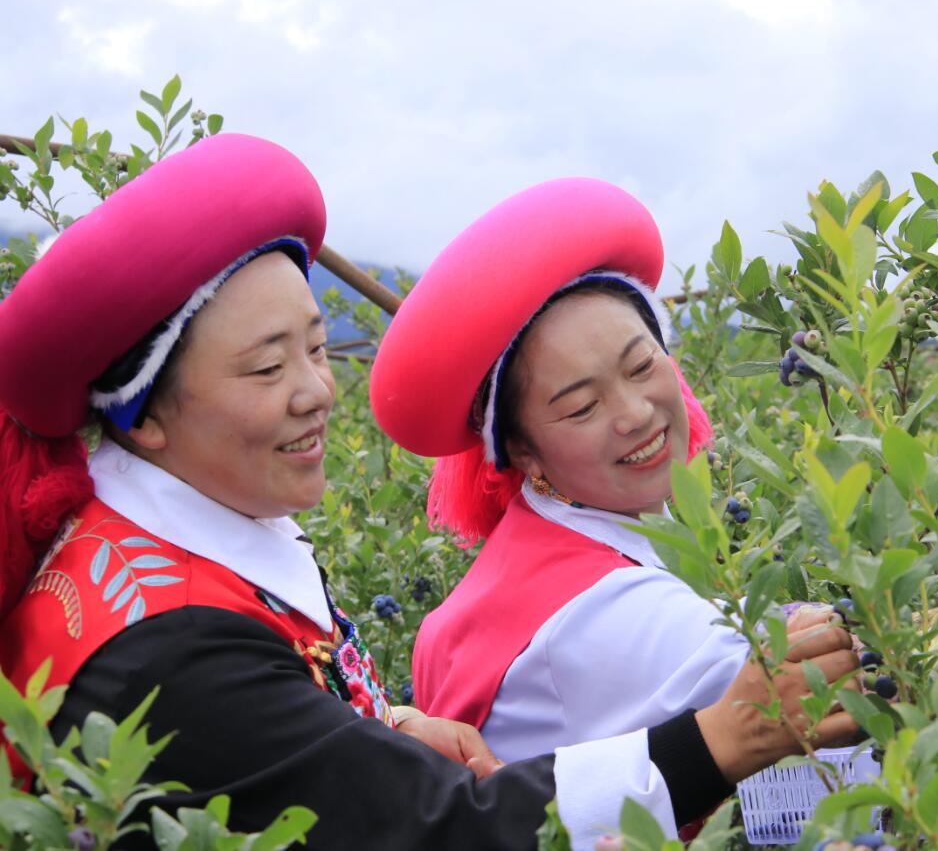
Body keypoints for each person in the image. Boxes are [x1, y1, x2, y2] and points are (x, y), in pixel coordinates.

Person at [0, 135, 861, 849]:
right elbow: (439, 834)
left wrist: (367, 731)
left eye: (314, 344)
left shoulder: (162, 550)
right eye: (267, 366)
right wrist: (723, 737)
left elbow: (278, 769)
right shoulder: (172, 649)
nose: (318, 390)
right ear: (144, 417)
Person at [370, 178, 832, 767]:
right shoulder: (595, 609)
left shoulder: (536, 556)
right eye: (582, 407)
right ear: (524, 452)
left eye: (641, 367)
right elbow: (830, 691)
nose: (635, 414)